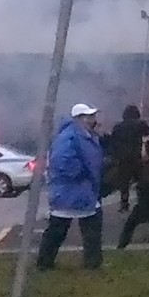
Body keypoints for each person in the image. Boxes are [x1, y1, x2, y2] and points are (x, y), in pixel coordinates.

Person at [36, 104, 106, 271]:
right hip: (73, 191)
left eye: (92, 116)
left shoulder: (80, 134)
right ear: (78, 119)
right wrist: (82, 173)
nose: (92, 119)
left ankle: (46, 263)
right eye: (88, 116)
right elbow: (61, 161)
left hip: (78, 191)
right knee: (63, 228)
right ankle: (47, 263)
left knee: (62, 228)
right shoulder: (70, 136)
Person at [105, 105, 149, 213]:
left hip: (123, 158)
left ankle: (124, 204)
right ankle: (143, 202)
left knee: (124, 182)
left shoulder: (118, 126)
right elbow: (148, 132)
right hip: (136, 156)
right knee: (141, 180)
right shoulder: (140, 124)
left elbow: (113, 140)